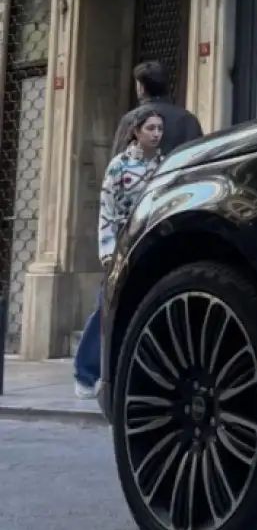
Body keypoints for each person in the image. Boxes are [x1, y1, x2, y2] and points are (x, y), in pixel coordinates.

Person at [73, 107, 165, 399]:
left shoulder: (164, 165)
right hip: (122, 246)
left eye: (159, 129)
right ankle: (85, 373)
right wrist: (108, 251)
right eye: (150, 128)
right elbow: (107, 211)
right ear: (136, 131)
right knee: (106, 306)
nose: (156, 134)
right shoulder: (119, 166)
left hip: (152, 243)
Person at [111, 60, 202, 158]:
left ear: (141, 88)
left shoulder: (131, 119)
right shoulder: (188, 119)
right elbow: (200, 156)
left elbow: (118, 158)